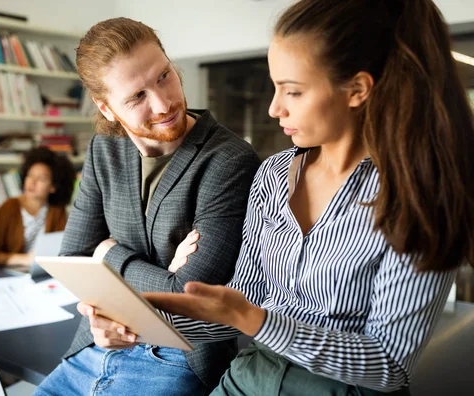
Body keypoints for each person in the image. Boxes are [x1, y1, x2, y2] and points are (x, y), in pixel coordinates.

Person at [88, 0, 474, 394]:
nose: (274, 109)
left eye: (292, 92)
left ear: (357, 89)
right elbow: (236, 306)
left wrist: (256, 320)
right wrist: (133, 323)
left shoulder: (418, 198)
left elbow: (389, 366)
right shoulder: (272, 176)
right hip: (250, 376)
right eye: (275, 88)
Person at [34, 18, 260, 396]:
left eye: (164, 76)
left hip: (175, 359)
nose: (163, 102)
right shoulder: (104, 149)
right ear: (106, 108)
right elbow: (73, 256)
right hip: (95, 345)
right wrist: (149, 282)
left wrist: (109, 254)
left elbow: (189, 298)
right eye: (137, 97)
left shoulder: (229, 160)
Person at [0, 147, 75, 267]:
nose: (32, 182)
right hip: (10, 273)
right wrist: (24, 259)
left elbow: (62, 250)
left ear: (53, 187)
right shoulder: (9, 207)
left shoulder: (57, 210)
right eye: (30, 175)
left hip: (44, 272)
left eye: (41, 179)